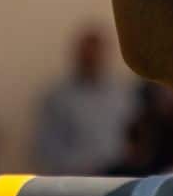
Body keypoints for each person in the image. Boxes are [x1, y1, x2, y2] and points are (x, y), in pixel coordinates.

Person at [32, 28, 134, 175]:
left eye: (97, 54)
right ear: (78, 55)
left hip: (120, 179)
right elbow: (46, 147)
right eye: (88, 55)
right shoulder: (59, 98)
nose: (92, 59)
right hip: (76, 181)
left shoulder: (123, 94)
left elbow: (134, 139)